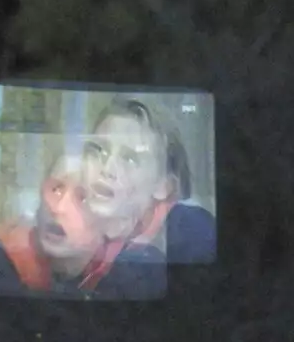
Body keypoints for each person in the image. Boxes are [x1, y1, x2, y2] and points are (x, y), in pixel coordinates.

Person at [0, 151, 167, 299]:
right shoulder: (9, 257)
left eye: (83, 197)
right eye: (56, 189)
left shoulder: (139, 269)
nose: (58, 208)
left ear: (111, 222)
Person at [82, 97, 218, 265]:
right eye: (98, 151)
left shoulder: (195, 233)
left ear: (165, 186)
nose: (107, 169)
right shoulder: (77, 229)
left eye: (129, 159)